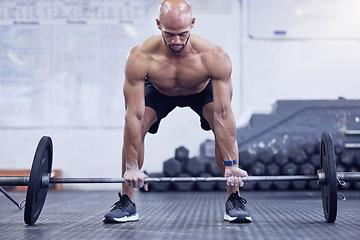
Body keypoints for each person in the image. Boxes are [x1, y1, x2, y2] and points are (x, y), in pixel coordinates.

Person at [103, 0, 251, 224]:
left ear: (192, 23)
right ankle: (127, 201)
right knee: (138, 127)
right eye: (169, 34)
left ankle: (234, 199)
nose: (176, 41)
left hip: (201, 89)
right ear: (158, 24)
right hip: (160, 90)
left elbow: (223, 115)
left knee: (219, 126)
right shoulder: (140, 57)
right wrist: (131, 167)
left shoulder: (214, 57)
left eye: (182, 34)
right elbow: (134, 115)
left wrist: (231, 165)